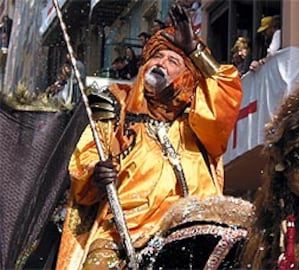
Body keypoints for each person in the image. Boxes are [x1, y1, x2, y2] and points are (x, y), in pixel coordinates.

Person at [56, 3, 243, 269]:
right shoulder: (114, 109)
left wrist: (193, 49)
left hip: (190, 232)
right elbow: (84, 164)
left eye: (173, 61)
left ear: (187, 79)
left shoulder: (199, 124)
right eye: (156, 57)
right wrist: (96, 175)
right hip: (121, 237)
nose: (160, 63)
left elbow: (226, 91)